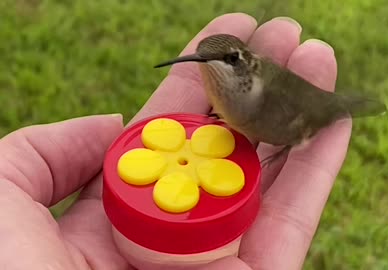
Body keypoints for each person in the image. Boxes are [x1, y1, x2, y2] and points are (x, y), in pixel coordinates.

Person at [0, 13, 351, 270]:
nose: (203, 64)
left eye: (227, 61)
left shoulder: (265, 95)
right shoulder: (227, 92)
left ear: (245, 65)